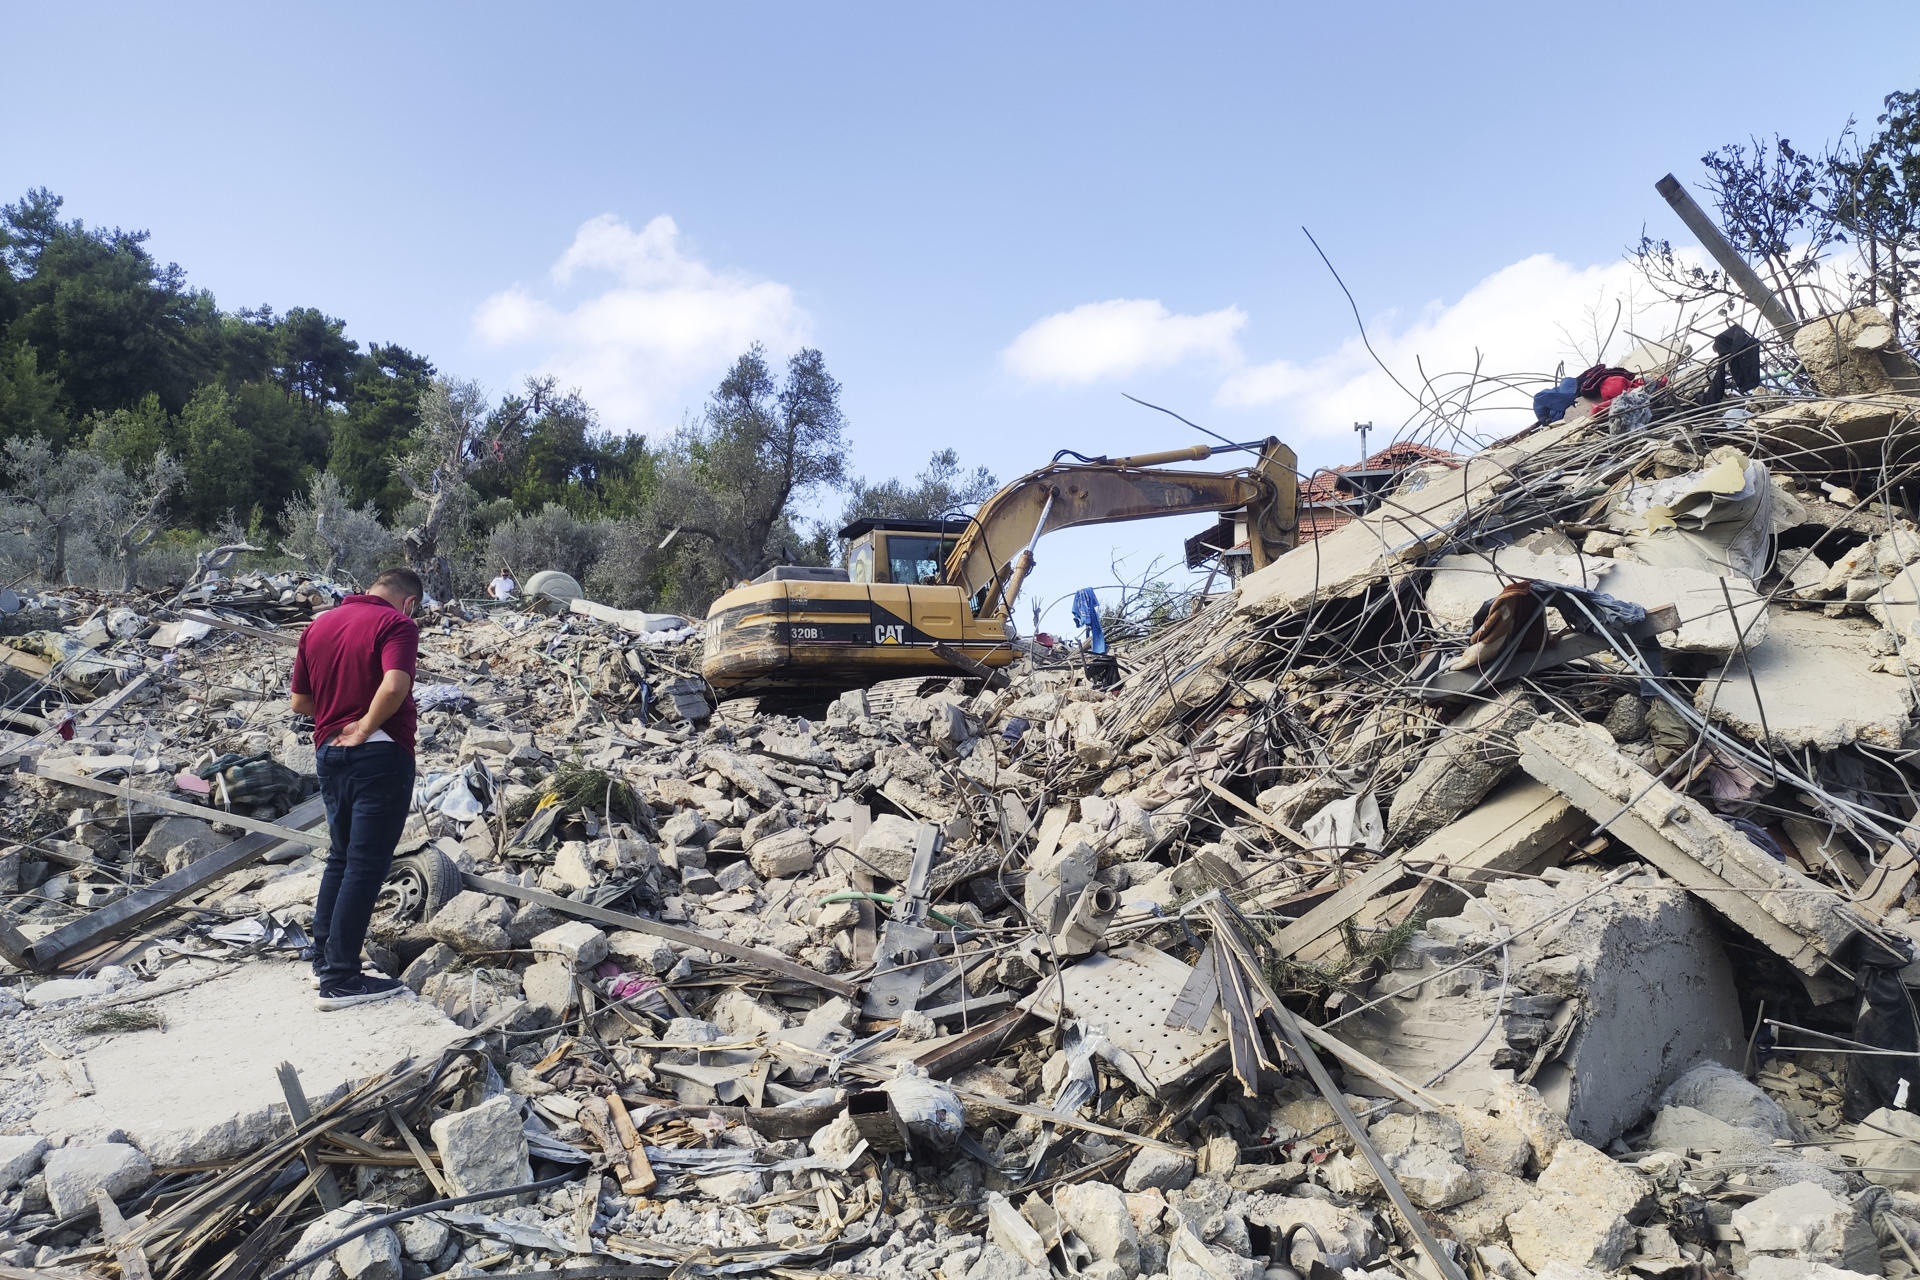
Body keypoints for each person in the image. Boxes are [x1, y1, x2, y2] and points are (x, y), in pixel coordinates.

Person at [290, 568, 422, 1010]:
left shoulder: (319, 625)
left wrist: (340, 719)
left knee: (340, 858)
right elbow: (396, 682)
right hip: (379, 755)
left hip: (329, 753)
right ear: (409, 602)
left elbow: (300, 702)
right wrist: (365, 726)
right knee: (366, 866)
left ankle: (323, 961)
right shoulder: (397, 624)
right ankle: (341, 979)